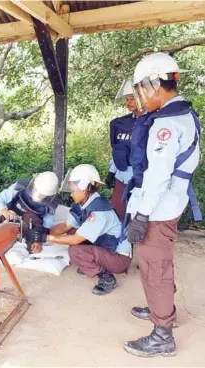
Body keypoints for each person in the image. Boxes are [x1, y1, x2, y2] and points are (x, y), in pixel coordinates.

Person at [123, 52, 201, 358]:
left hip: (158, 208)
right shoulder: (184, 114)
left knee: (154, 266)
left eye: (141, 89)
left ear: (155, 85)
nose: (140, 97)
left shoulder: (165, 125)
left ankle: (162, 334)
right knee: (161, 262)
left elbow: (157, 176)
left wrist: (141, 215)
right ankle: (162, 309)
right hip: (172, 201)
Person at [48, 164, 132, 295]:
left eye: (74, 190)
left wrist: (47, 238)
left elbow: (76, 240)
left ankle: (107, 278)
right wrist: (44, 231)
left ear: (85, 188)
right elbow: (66, 226)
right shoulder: (84, 204)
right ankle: (93, 263)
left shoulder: (99, 211)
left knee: (75, 250)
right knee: (71, 233)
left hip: (119, 259)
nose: (71, 195)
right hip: (106, 247)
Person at [0, 172, 60, 253]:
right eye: (37, 190)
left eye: (43, 195)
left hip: (27, 225)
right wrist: (4, 211)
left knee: (34, 221)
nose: (38, 196)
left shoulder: (51, 205)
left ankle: (28, 243)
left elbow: (46, 226)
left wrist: (38, 240)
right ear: (34, 183)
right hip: (10, 215)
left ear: (50, 195)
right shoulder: (20, 186)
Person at [104, 80, 143, 220]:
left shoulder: (152, 122)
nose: (128, 102)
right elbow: (119, 150)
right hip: (121, 177)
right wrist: (111, 172)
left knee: (136, 217)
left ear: (142, 96)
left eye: (132, 98)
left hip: (140, 180)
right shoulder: (121, 124)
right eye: (126, 99)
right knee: (118, 213)